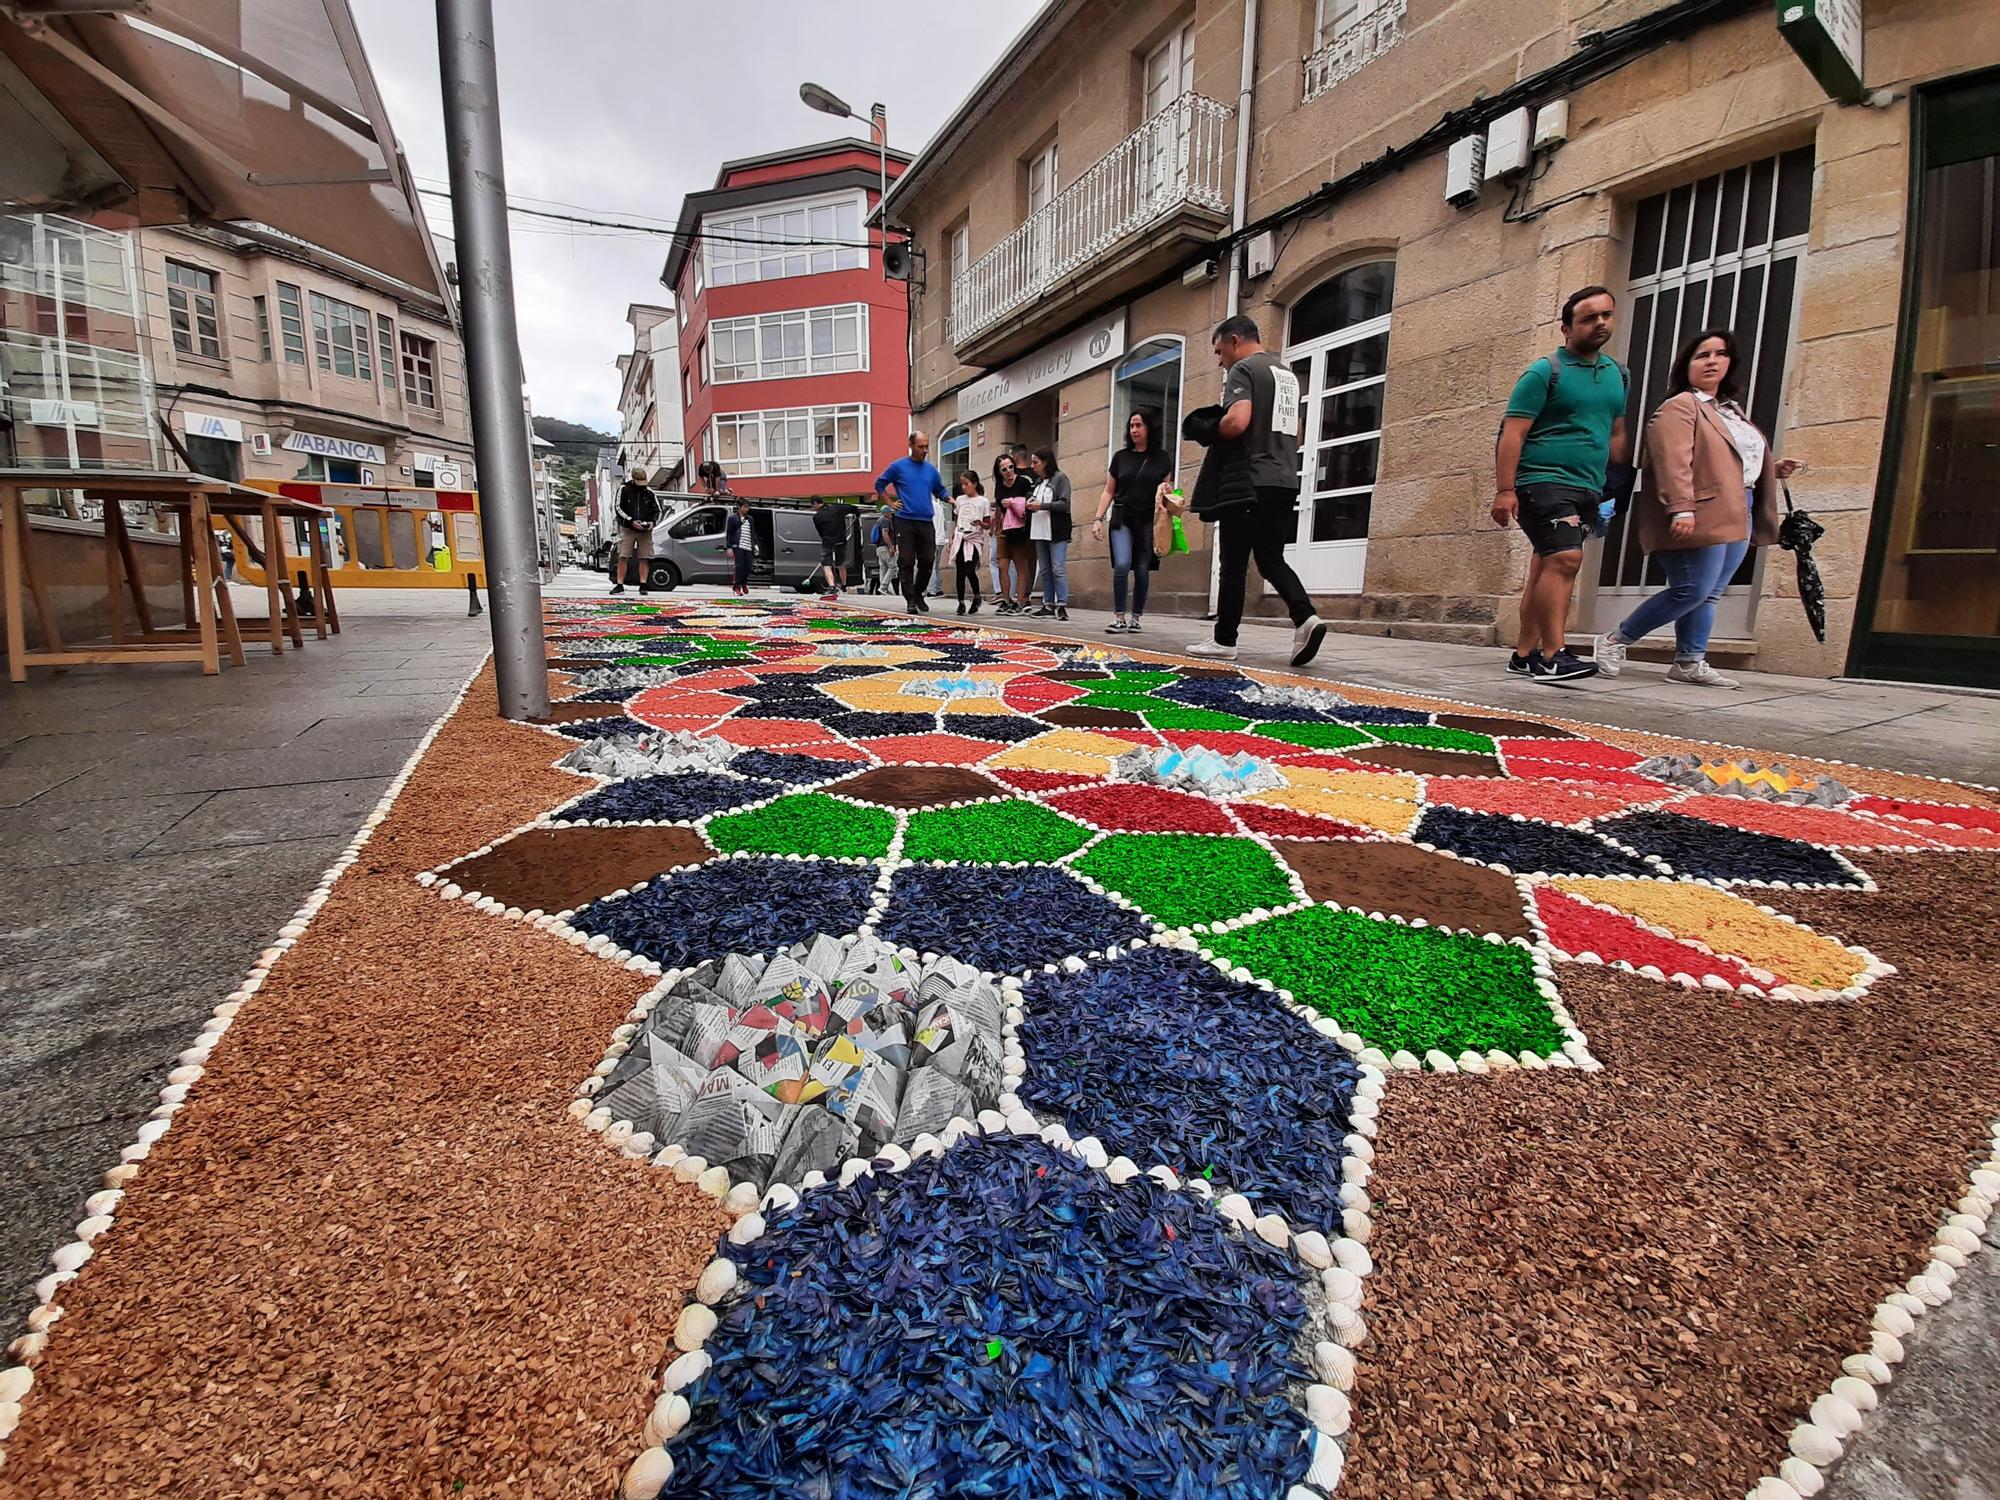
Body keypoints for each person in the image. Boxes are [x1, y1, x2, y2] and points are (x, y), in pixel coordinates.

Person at [1593, 328, 1800, 688]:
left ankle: (1689, 661)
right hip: (1699, 509)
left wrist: (1772, 466)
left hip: (1740, 507)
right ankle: (1614, 641)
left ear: (1730, 363)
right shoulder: (1681, 406)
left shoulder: (1731, 411)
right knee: (1691, 588)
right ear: (1686, 365)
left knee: (1710, 591)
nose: (1711, 361)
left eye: (1720, 354)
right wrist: (1681, 507)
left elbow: (1728, 458)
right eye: (1701, 355)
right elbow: (1672, 461)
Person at [1494, 286, 1629, 683]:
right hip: (1542, 480)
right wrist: (1505, 490)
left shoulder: (1617, 375)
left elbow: (1616, 431)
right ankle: (1554, 656)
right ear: (1566, 328)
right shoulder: (1544, 372)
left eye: (1606, 314)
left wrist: (1616, 483)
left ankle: (1524, 654)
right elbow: (1513, 433)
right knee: (1565, 560)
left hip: (1588, 485)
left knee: (1545, 566)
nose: (1600, 323)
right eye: (1589, 318)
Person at [1187, 315, 1326, 665]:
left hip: (1249, 479)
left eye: (1220, 352)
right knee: (1270, 558)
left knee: (1233, 562)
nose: (1220, 360)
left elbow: (1237, 421)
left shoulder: (1244, 370)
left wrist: (1209, 427)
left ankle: (1224, 641)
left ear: (1236, 340)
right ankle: (1306, 618)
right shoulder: (1287, 375)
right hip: (1283, 478)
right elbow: (1298, 432)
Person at [1093, 409, 1172, 634]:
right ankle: (1119, 617)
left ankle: (1136, 617)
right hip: (1122, 517)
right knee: (1121, 564)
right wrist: (1097, 519)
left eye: (1138, 425)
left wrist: (1169, 498)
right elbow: (1108, 491)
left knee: (1142, 569)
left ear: (1149, 428)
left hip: (1149, 520)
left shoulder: (1162, 458)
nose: (1134, 430)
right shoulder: (1120, 457)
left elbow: (1167, 493)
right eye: (1131, 426)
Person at [874, 431, 949, 613]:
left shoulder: (930, 470)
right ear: (911, 445)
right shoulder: (898, 467)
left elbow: (939, 489)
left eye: (926, 447)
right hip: (904, 520)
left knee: (927, 560)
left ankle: (918, 593)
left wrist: (949, 498)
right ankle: (910, 600)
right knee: (906, 560)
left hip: (925, 520)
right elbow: (879, 484)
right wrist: (890, 502)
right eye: (920, 447)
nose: (924, 450)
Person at [1023, 447, 1074, 620]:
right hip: (1039, 529)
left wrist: (1042, 506)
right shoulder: (1038, 482)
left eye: (1036, 462)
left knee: (1057, 568)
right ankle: (1048, 604)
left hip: (1056, 530)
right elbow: (1032, 500)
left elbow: (1064, 504)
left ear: (1046, 462)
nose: (1033, 466)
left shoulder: (1060, 478)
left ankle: (1061, 604)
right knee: (1045, 570)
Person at [992, 452, 1035, 614]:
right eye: (1004, 469)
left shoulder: (1023, 482)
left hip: (1020, 528)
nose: (1009, 471)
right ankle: (1006, 599)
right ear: (999, 472)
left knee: (1020, 564)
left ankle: (1021, 600)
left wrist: (1014, 503)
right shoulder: (999, 485)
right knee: (1002, 564)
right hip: (1004, 528)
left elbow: (1031, 502)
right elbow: (998, 507)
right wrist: (995, 527)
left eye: (1011, 467)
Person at [611, 465, 660, 595]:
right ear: (633, 479)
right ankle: (619, 584)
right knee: (623, 555)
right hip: (628, 528)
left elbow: (657, 510)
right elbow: (618, 507)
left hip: (645, 530)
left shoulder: (649, 493)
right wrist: (630, 520)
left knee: (644, 557)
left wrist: (651, 522)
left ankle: (643, 584)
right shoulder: (624, 489)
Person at [949, 470, 992, 615]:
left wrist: (980, 523)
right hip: (960, 536)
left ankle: (976, 596)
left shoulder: (983, 502)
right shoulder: (960, 500)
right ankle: (960, 602)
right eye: (962, 484)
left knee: (969, 569)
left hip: (973, 538)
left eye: (966, 484)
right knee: (960, 571)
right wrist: (951, 538)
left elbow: (988, 524)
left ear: (974, 484)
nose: (963, 487)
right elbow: (956, 520)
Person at [812, 496, 857, 600]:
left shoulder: (817, 517)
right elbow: (852, 508)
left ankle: (832, 587)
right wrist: (857, 515)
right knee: (840, 564)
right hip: (841, 540)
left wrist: (826, 538)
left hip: (827, 542)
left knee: (826, 565)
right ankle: (844, 584)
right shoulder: (837, 508)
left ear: (815, 504)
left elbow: (820, 532)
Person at [724, 500, 755, 595]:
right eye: (745, 507)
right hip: (738, 546)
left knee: (749, 567)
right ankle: (736, 587)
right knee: (739, 566)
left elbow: (753, 532)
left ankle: (744, 583)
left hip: (748, 546)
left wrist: (755, 544)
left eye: (747, 507)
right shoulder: (733, 518)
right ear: (739, 507)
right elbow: (729, 532)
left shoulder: (750, 519)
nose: (747, 509)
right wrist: (729, 547)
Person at [928, 490, 954, 597]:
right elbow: (944, 524)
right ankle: (938, 588)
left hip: (932, 539)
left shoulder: (927, 506)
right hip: (941, 539)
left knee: (931, 566)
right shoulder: (939, 507)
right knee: (936, 565)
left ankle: (932, 590)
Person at [870, 511, 899, 596]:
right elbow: (885, 535)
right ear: (886, 513)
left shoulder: (879, 520)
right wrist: (891, 546)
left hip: (879, 548)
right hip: (885, 547)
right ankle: (884, 586)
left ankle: (882, 589)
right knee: (893, 567)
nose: (891, 514)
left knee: (883, 568)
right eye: (890, 513)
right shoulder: (885, 521)